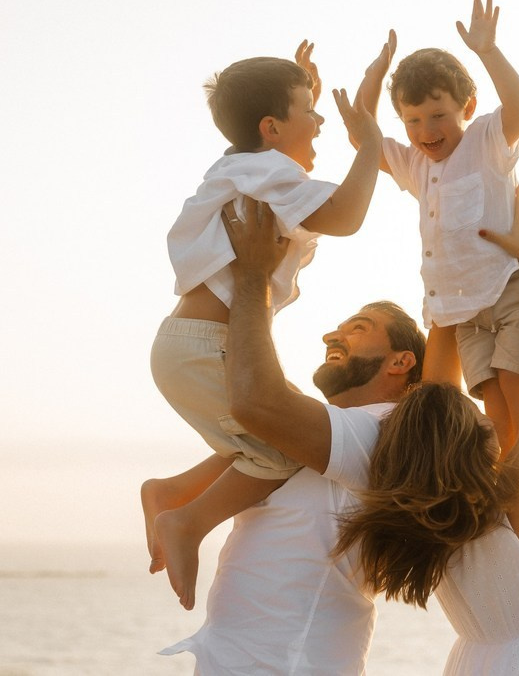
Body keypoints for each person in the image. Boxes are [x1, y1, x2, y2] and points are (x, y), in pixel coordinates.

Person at [142, 36, 394, 609]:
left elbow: (295, 179)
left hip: (189, 344)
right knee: (283, 451)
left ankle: (172, 491)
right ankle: (187, 519)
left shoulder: (246, 167)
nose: (323, 118)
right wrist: (371, 146)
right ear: (271, 129)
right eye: (310, 110)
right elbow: (345, 215)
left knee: (262, 439)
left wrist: (295, 96)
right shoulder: (264, 172)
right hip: (211, 346)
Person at [335, 186, 519, 675]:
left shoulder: (432, 524)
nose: (483, 411)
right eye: (474, 413)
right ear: (464, 445)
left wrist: (445, 287)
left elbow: (434, 404)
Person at [159, 195, 426, 674]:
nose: (332, 336)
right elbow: (244, 438)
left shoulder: (387, 431)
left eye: (359, 328)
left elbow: (258, 399)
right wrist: (173, 499)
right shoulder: (310, 438)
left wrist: (254, 276)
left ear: (400, 362)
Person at [364, 0, 519, 455]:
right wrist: (374, 80)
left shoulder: (485, 142)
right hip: (466, 311)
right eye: (412, 120)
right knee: (494, 417)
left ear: (468, 107)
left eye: (439, 115)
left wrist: (488, 52)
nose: (425, 130)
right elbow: (365, 140)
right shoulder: (415, 164)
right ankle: (495, 497)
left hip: (513, 286)